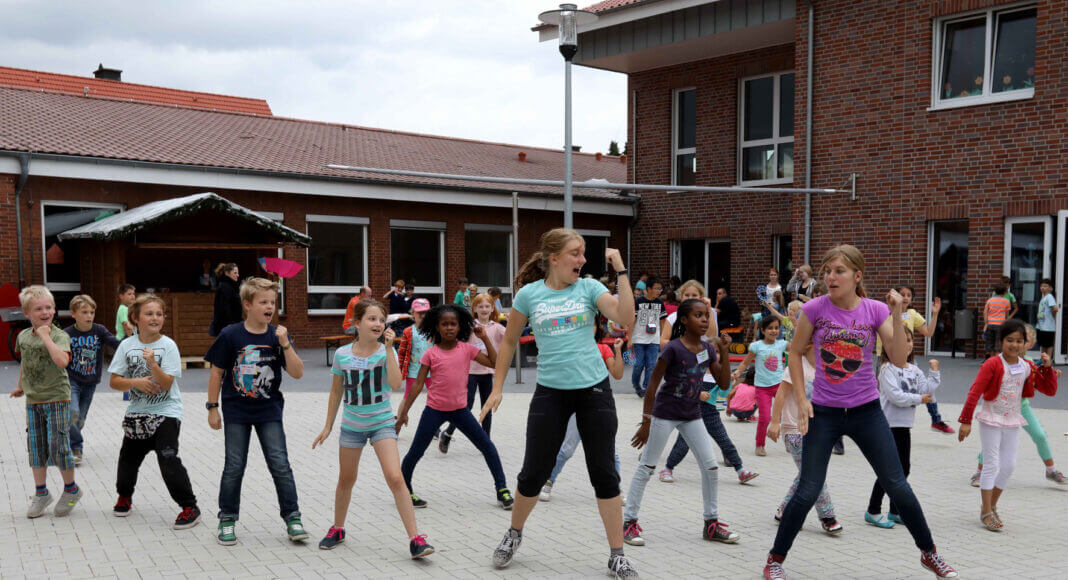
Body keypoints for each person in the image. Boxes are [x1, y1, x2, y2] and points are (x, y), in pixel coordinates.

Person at [762, 245, 957, 580]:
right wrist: (803, 399)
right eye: (827, 271)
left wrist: (896, 313)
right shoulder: (815, 309)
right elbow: (795, 354)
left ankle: (930, 554)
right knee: (808, 489)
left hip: (867, 412)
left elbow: (897, 358)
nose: (831, 277)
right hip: (824, 412)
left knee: (897, 485)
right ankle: (775, 560)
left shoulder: (875, 309)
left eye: (838, 271)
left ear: (857, 276)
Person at [482, 229, 637, 577]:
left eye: (583, 253)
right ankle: (514, 533)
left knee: (604, 473)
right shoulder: (529, 295)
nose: (582, 260)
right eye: (575, 253)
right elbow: (508, 343)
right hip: (551, 392)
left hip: (593, 390)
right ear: (554, 258)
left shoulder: (589, 288)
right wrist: (497, 386)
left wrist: (621, 270)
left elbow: (625, 317)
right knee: (534, 471)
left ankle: (617, 554)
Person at [312, 299, 434, 558]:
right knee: (347, 479)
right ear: (357, 323)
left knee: (395, 477)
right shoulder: (342, 354)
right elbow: (336, 392)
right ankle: (338, 528)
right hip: (352, 426)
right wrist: (327, 426)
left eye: (381, 319)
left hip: (381, 424)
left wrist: (389, 349)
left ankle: (416, 539)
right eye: (371, 318)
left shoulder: (384, 351)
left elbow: (396, 383)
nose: (378, 324)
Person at [622, 299, 740, 547]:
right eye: (698, 315)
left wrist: (726, 351)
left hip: (692, 414)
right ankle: (629, 522)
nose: (705, 320)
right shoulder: (673, 349)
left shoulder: (708, 350)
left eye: (706, 315)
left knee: (710, 468)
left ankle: (711, 524)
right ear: (684, 320)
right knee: (647, 467)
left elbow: (725, 382)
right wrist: (646, 422)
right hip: (665, 414)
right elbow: (653, 384)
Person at [204, 277, 308, 546]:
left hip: (269, 411)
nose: (270, 307)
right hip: (236, 411)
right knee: (234, 466)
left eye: (273, 302)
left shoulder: (277, 336)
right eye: (263, 302)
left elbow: (297, 373)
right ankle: (227, 519)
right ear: (248, 305)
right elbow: (216, 372)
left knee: (280, 464)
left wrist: (285, 344)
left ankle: (293, 518)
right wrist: (212, 408)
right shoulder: (231, 335)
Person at [396, 304, 512, 511]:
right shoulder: (430, 354)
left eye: (454, 324)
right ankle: (405, 491)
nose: (449, 328)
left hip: (461, 411)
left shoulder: (467, 349)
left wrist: (484, 338)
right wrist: (403, 414)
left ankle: (502, 490)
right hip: (434, 411)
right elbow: (418, 385)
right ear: (436, 327)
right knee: (415, 451)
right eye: (445, 324)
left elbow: (494, 363)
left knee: (487, 447)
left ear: (460, 327)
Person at [108, 294, 201, 530]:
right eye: (149, 314)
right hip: (137, 413)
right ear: (135, 318)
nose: (155, 318)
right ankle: (125, 496)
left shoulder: (168, 346)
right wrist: (136, 382)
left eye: (159, 314)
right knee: (128, 460)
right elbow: (115, 382)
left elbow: (167, 383)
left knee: (168, 458)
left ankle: (190, 507)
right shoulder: (127, 346)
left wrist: (152, 364)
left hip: (167, 411)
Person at [958, 319, 1057, 531]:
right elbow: (975, 391)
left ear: (1025, 344)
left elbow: (1049, 390)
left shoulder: (1027, 366)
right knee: (992, 464)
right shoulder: (993, 364)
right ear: (1001, 341)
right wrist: (965, 420)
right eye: (1010, 340)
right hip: (991, 419)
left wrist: (1047, 369)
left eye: (1019, 341)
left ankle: (992, 505)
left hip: (1012, 419)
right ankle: (985, 511)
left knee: (1009, 465)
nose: (1014, 345)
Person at [11, 285, 81, 518]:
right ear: (27, 313)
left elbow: (62, 361)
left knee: (57, 445)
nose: (45, 312)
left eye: (49, 307)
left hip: (57, 398)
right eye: (38, 308)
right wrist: (21, 385)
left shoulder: (60, 336)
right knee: (36, 447)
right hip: (34, 400)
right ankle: (41, 493)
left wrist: (45, 336)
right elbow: (26, 362)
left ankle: (71, 490)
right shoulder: (23, 336)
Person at [968, 323, 1067, 487]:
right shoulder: (1000, 361)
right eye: (1012, 339)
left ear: (1029, 343)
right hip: (999, 407)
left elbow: (1043, 384)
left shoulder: (1030, 363)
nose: (1016, 344)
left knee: (1040, 435)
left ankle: (1051, 471)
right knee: (994, 442)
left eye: (1023, 340)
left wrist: (1051, 374)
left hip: (1022, 407)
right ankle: (979, 472)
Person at [540, 325, 625, 502]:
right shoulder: (568, 348)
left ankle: (615, 489)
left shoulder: (602, 348)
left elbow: (617, 373)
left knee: (611, 451)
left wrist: (617, 350)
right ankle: (548, 481)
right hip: (575, 404)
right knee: (567, 450)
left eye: (592, 324)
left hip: (600, 405)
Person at [865, 328, 940, 529]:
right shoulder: (887, 369)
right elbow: (895, 396)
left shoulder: (913, 369)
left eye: (908, 340)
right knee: (888, 470)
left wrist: (934, 373)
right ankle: (873, 510)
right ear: (888, 346)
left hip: (904, 426)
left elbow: (926, 390)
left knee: (903, 469)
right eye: (899, 341)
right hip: (886, 425)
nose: (905, 344)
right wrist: (919, 399)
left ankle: (894, 510)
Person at [766, 342, 841, 535]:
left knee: (805, 475)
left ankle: (784, 510)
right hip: (794, 430)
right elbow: (781, 394)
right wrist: (775, 422)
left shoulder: (825, 370)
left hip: (817, 432)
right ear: (808, 345)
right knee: (814, 475)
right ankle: (827, 516)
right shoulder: (796, 366)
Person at [874, 286, 951, 434]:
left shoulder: (912, 314)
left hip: (906, 359)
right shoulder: (885, 312)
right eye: (902, 294)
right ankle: (881, 423)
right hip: (885, 358)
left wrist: (935, 315)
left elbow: (928, 332)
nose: (905, 297)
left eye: (909, 295)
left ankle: (936, 419)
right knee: (882, 391)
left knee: (923, 387)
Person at [439, 293, 506, 452]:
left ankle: (486, 442)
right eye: (480, 306)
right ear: (474, 308)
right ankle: (448, 433)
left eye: (487, 306)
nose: (484, 309)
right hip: (469, 372)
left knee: (487, 407)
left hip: (487, 373)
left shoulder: (496, 327)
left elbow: (511, 339)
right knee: (466, 406)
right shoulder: (469, 326)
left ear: (492, 308)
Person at [63, 294, 119, 465]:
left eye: (92, 312)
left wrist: (131, 340)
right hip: (71, 380)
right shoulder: (67, 334)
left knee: (79, 419)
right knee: (73, 413)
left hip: (90, 382)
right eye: (84, 312)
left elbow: (117, 344)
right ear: (73, 314)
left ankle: (65, 438)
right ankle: (76, 448)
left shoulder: (99, 330)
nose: (89, 316)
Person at [731, 316, 788, 456]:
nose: (773, 331)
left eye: (776, 328)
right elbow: (746, 362)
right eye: (770, 328)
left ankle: (792, 441)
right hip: (762, 388)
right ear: (763, 330)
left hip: (779, 386)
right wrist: (738, 371)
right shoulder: (756, 346)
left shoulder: (782, 344)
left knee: (789, 414)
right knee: (764, 418)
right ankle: (760, 444)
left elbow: (800, 346)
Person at [631, 276, 668, 398]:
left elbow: (663, 322)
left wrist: (663, 338)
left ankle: (647, 389)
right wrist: (629, 338)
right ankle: (636, 385)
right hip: (638, 339)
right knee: (639, 365)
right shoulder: (638, 302)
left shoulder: (660, 303)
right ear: (648, 289)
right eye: (656, 288)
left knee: (651, 365)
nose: (659, 291)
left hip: (654, 339)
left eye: (660, 289)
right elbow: (632, 321)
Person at [397, 298, 433, 399]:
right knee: (408, 396)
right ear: (413, 313)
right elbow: (402, 352)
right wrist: (400, 369)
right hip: (414, 370)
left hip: (431, 371)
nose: (422, 315)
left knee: (436, 396)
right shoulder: (408, 331)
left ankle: (439, 414)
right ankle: (401, 415)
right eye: (419, 312)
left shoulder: (434, 330)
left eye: (425, 312)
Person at [210, 263, 242, 337]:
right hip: (228, 328)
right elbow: (223, 309)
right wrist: (230, 325)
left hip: (232, 327)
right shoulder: (224, 288)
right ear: (227, 273)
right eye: (235, 273)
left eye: (238, 273)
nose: (238, 275)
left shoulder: (231, 287)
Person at [983, 283, 1012, 358]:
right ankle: (997, 359)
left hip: (990, 324)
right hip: (1000, 324)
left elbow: (985, 312)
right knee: (998, 343)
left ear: (995, 292)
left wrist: (986, 323)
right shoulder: (1006, 301)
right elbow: (1006, 314)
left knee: (990, 342)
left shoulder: (990, 300)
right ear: (1005, 292)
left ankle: (989, 358)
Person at [1036, 278, 1059, 360]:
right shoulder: (1044, 297)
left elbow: (1055, 308)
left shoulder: (1049, 297)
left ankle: (1047, 360)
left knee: (1048, 344)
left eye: (1045, 286)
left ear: (1050, 288)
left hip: (1048, 327)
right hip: (1041, 326)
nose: (1043, 287)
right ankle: (1043, 360)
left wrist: (1052, 316)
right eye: (1041, 286)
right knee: (1043, 344)